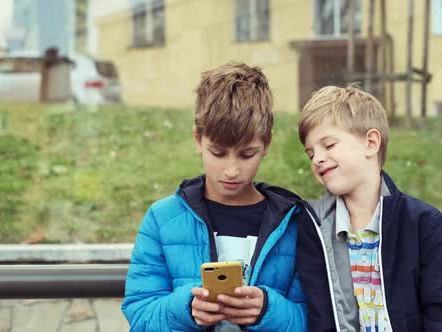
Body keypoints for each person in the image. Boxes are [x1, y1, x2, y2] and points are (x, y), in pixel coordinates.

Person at [121, 62, 308, 331]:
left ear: (266, 143)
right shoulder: (161, 220)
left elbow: (315, 318)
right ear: (198, 139)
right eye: (218, 153)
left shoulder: (294, 225)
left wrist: (267, 310)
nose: (231, 170)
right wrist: (187, 310)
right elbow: (140, 317)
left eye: (247, 154)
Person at [296, 85, 442, 331]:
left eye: (328, 145)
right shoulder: (313, 227)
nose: (317, 159)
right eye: (310, 153)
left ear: (371, 142)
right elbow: (319, 316)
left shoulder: (421, 222)